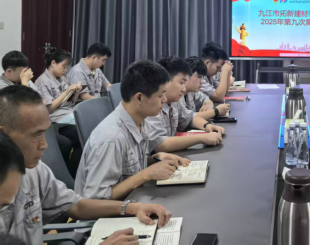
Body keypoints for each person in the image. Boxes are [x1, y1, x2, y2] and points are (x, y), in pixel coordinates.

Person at [0, 85, 173, 245]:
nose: (44, 145)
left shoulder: (35, 170)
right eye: (35, 135)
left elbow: (76, 206)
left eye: (45, 133)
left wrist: (132, 207)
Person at [75, 61, 190, 200]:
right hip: (110, 211)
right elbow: (95, 199)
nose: (164, 100)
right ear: (139, 97)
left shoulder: (141, 121)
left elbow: (128, 167)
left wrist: (154, 160)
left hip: (132, 199)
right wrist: (146, 174)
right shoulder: (112, 138)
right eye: (160, 95)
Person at [146, 57, 225, 154]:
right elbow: (160, 145)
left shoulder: (174, 100)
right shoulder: (151, 104)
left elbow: (190, 117)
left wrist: (207, 125)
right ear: (165, 81)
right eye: (181, 83)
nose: (184, 89)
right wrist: (201, 138)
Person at [35, 49, 89, 177]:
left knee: (86, 135)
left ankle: (76, 174)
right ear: (53, 63)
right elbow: (48, 109)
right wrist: (66, 92)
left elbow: (71, 102)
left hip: (67, 113)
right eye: (63, 66)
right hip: (56, 119)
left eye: (67, 67)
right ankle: (69, 174)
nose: (65, 70)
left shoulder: (61, 78)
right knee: (84, 134)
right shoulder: (43, 81)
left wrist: (76, 92)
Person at [183, 57, 231, 121]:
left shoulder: (191, 91)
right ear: (186, 75)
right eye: (199, 77)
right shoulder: (177, 95)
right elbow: (187, 118)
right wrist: (216, 111)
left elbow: (205, 98)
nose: (202, 82)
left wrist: (209, 104)